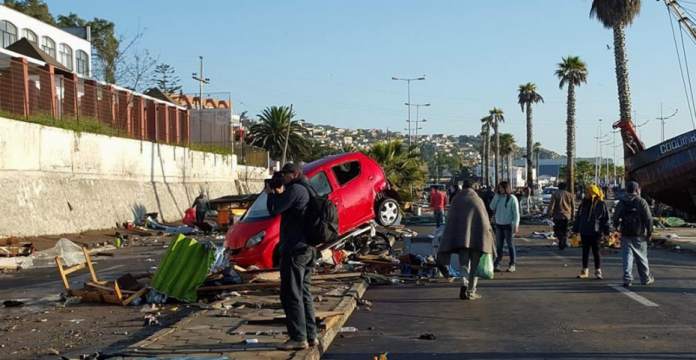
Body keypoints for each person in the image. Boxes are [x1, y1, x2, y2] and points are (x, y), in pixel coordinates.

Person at [265, 163, 317, 351]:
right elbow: (289, 208)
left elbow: (274, 210)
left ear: (295, 174)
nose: (282, 178)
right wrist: (280, 193)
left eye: (285, 174)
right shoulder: (307, 188)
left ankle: (298, 338)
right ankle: (311, 336)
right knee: (304, 294)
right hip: (308, 249)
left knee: (291, 295)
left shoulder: (295, 189)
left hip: (295, 250)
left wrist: (270, 193)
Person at [435, 179, 496, 300]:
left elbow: (450, 219)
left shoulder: (456, 199)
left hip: (461, 239)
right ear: (474, 188)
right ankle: (471, 291)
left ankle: (463, 282)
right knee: (474, 266)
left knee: (463, 264)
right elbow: (484, 220)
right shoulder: (477, 200)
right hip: (477, 239)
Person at [612, 181, 655, 287]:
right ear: (637, 190)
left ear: (627, 190)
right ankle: (645, 278)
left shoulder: (622, 202)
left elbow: (616, 216)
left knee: (627, 256)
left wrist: (616, 226)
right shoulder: (641, 201)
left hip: (626, 232)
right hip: (638, 232)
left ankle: (627, 279)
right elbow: (648, 218)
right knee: (641, 256)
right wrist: (649, 232)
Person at [572, 185, 611, 280]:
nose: (585, 194)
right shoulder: (583, 204)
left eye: (587, 192)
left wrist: (607, 231)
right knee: (585, 252)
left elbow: (606, 219)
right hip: (584, 231)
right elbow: (578, 218)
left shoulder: (601, 205)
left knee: (596, 252)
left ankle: (598, 271)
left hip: (596, 232)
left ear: (592, 193)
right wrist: (575, 230)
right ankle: (585, 270)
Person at [490, 181, 520, 273]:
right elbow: (491, 207)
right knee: (499, 245)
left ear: (506, 188)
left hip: (508, 225)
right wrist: (496, 196)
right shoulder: (498, 197)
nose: (500, 189)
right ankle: (497, 264)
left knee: (510, 245)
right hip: (499, 225)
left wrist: (516, 225)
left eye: (502, 188)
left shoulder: (512, 198)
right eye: (499, 188)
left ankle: (512, 264)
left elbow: (516, 213)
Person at [547, 182, 575, 250]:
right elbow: (573, 206)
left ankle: (561, 240)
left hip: (558, 215)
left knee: (557, 230)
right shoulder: (570, 195)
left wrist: (549, 212)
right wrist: (573, 215)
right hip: (567, 215)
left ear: (558, 187)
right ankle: (562, 244)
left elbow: (552, 204)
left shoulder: (555, 194)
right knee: (564, 230)